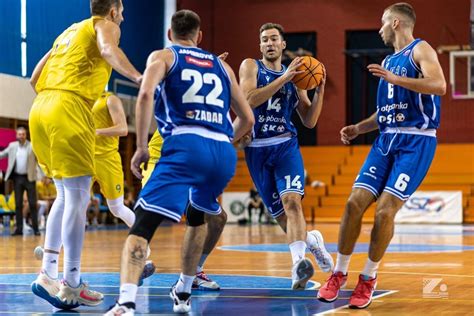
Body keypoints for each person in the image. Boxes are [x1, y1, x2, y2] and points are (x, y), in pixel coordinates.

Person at [106, 9, 254, 315]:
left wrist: (143, 146)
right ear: (200, 36)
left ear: (170, 35)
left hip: (185, 145)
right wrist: (225, 141)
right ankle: (184, 292)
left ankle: (126, 303)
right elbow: (248, 118)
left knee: (142, 227)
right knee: (197, 217)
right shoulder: (222, 65)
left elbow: (145, 94)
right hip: (223, 153)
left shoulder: (163, 56)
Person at [317, 3, 446, 309]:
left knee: (384, 211)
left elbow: (439, 85)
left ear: (397, 23)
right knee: (352, 204)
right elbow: (385, 112)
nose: (380, 28)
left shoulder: (420, 49)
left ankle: (368, 277)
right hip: (385, 140)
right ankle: (338, 273)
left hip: (416, 142)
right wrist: (359, 127)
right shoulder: (388, 61)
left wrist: (396, 78)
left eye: (383, 23)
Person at [28, 0, 142, 309]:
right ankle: (73, 282)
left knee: (65, 196)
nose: (123, 17)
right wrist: (139, 78)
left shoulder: (67, 33)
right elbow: (108, 50)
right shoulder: (104, 25)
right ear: (113, 10)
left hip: (41, 109)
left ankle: (48, 274)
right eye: (122, 11)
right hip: (69, 107)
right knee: (78, 200)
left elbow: (33, 81)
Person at [238, 23, 333, 290]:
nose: (269, 43)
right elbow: (248, 99)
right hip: (256, 148)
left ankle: (297, 266)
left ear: (283, 45)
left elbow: (310, 120)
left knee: (292, 203)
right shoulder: (251, 66)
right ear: (260, 46)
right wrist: (284, 78)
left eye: (273, 39)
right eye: (264, 40)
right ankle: (312, 241)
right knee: (281, 217)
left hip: (285, 146)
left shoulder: (298, 76)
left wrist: (320, 91)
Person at [142, 130, 225, 291]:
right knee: (150, 213)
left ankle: (195, 271)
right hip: (160, 162)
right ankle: (135, 265)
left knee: (218, 218)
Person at [0, 127, 40, 236]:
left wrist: (42, 175)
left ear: (26, 135)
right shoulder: (12, 146)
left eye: (23, 134)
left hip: (29, 178)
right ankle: (19, 229)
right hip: (17, 178)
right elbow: (2, 154)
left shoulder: (32, 146)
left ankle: (36, 229)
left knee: (32, 203)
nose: (21, 136)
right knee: (18, 204)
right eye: (19, 134)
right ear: (16, 135)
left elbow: (39, 160)